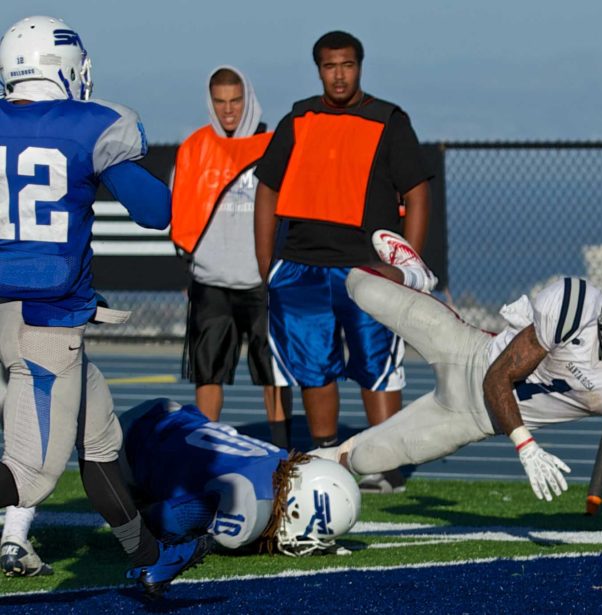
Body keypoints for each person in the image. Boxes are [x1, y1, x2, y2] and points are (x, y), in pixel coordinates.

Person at [0, 16, 209, 593]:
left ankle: (147, 553)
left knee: (99, 438)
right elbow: (154, 211)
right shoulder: (89, 125)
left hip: (6, 312)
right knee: (28, 476)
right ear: (63, 65)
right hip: (47, 320)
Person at [313, 231, 602, 503]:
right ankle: (417, 274)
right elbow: (498, 377)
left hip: (472, 420)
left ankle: (318, 462)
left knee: (363, 461)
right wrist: (526, 446)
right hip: (468, 351)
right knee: (358, 285)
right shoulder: (576, 305)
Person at [254, 31, 434, 494]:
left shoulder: (388, 120)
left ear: (360, 66)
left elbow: (417, 193)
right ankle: (325, 457)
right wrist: (264, 264)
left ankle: (383, 463)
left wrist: (408, 269)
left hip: (367, 268)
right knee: (313, 367)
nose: (340, 74)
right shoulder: (298, 119)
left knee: (377, 365)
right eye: (331, 66)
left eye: (348, 65)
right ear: (318, 69)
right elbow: (267, 190)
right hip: (300, 267)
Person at [4, 398, 362, 570]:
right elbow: (160, 520)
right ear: (298, 509)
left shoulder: (284, 463)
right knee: (39, 447)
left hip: (174, 417)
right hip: (133, 446)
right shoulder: (247, 510)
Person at [171, 65, 292, 448]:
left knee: (273, 375)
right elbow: (180, 211)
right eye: (220, 102)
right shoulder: (194, 146)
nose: (228, 110)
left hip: (262, 281)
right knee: (208, 375)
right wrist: (189, 263)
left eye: (235, 100)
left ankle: (281, 450)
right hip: (210, 281)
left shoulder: (273, 145)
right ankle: (206, 450)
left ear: (248, 98)